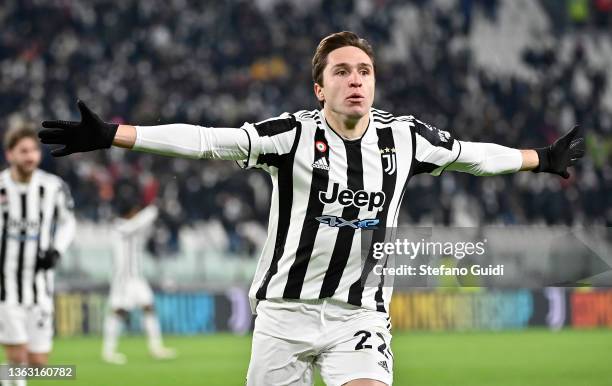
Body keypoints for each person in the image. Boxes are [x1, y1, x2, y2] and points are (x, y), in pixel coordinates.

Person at [39, 31, 584, 386]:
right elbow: (208, 140)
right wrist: (116, 135)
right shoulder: (291, 135)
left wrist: (539, 158)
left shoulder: (406, 138)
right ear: (319, 86)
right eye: (343, 71)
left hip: (360, 316)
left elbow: (472, 157)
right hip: (283, 314)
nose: (356, 80)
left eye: (365, 71)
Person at [0, 123, 76, 386]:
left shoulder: (53, 187)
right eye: (23, 151)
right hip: (5, 287)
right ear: (10, 154)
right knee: (17, 357)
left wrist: (56, 250)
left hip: (40, 287)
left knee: (38, 362)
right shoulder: (0, 188)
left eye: (33, 150)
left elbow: (69, 222)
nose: (30, 156)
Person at [102, 192, 176, 365]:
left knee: (149, 307)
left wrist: (159, 209)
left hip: (136, 277)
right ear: (128, 212)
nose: (137, 213)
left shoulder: (133, 226)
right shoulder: (119, 226)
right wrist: (153, 209)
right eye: (135, 210)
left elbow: (144, 227)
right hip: (122, 279)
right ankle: (108, 351)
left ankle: (156, 348)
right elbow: (137, 224)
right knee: (118, 312)